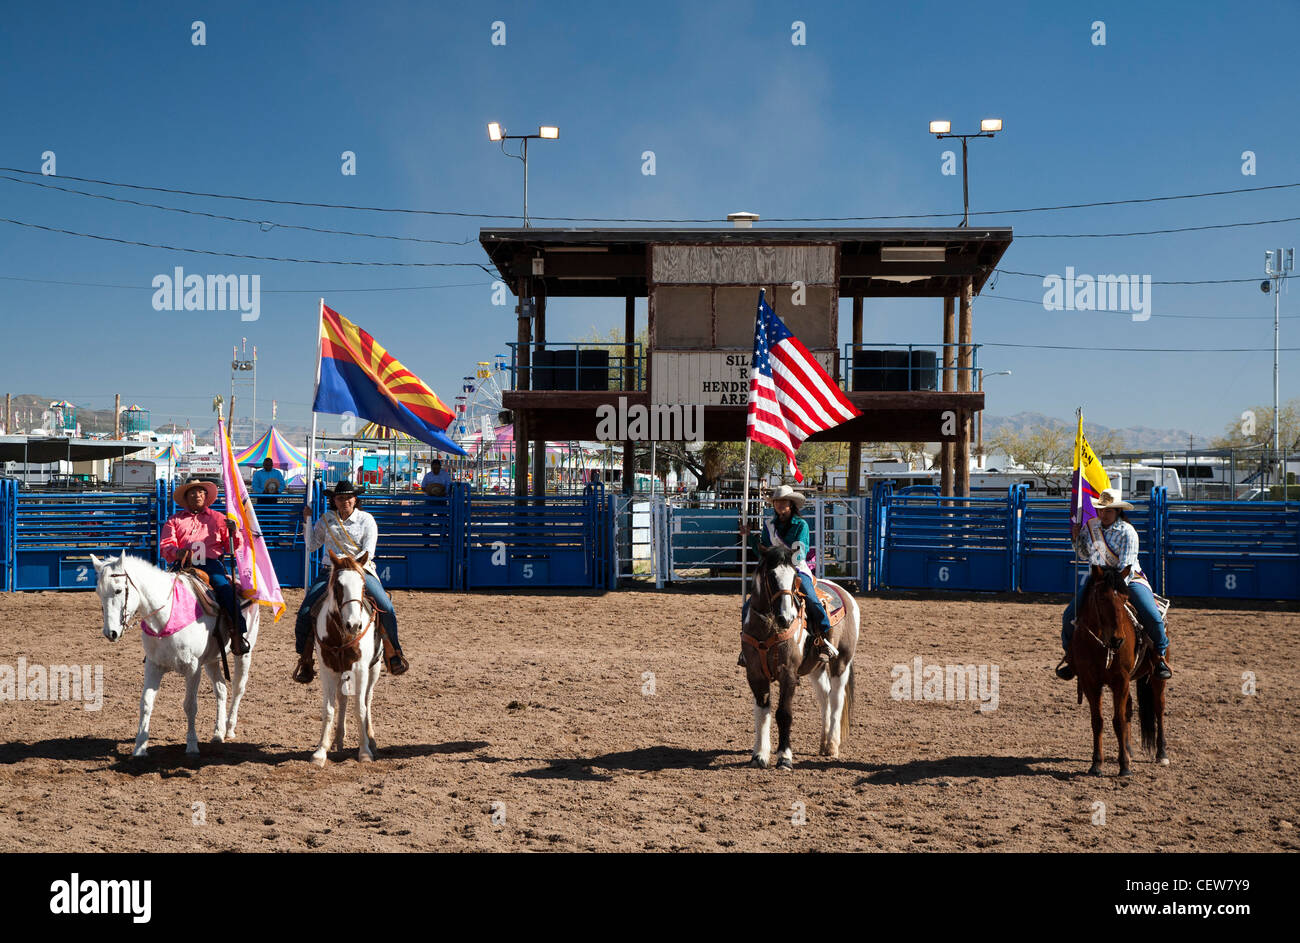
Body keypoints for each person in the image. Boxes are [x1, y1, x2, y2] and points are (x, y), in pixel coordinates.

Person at [293, 480, 408, 682]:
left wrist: (349, 566)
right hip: (330, 572)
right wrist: (307, 522)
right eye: (340, 498)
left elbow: (368, 550)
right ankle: (305, 659)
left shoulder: (367, 520)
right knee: (304, 612)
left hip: (361, 571)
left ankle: (393, 653)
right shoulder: (326, 519)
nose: (344, 501)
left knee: (386, 607)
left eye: (348, 498)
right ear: (334, 501)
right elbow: (311, 545)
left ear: (355, 499)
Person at [1057, 488, 1171, 681]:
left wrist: (1112, 588)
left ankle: (1159, 656)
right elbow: (1084, 555)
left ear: (1118, 511)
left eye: (1108, 510)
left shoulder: (1128, 532)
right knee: (1069, 615)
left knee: (1152, 615)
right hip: (1098, 581)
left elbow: (1126, 566)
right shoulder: (1091, 526)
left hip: (1128, 580)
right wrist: (1076, 539)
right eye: (1101, 510)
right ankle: (1071, 656)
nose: (1104, 514)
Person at [738, 485, 838, 667]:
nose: (779, 505)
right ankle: (747, 647)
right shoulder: (770, 526)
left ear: (791, 505)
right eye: (777, 502)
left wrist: (780, 557)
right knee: (749, 605)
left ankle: (824, 638)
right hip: (775, 569)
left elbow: (800, 552)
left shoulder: (801, 526)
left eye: (783, 502)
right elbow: (764, 551)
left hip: (796, 569)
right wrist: (750, 537)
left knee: (812, 598)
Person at [160, 477, 250, 655]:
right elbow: (166, 545)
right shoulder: (174, 520)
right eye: (192, 492)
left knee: (225, 590)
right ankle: (157, 639)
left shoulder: (219, 519)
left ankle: (237, 633)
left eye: (200, 491)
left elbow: (231, 546)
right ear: (186, 497)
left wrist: (233, 531)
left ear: (206, 495)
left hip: (211, 564)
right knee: (162, 594)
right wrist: (176, 552)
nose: (197, 495)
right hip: (183, 564)